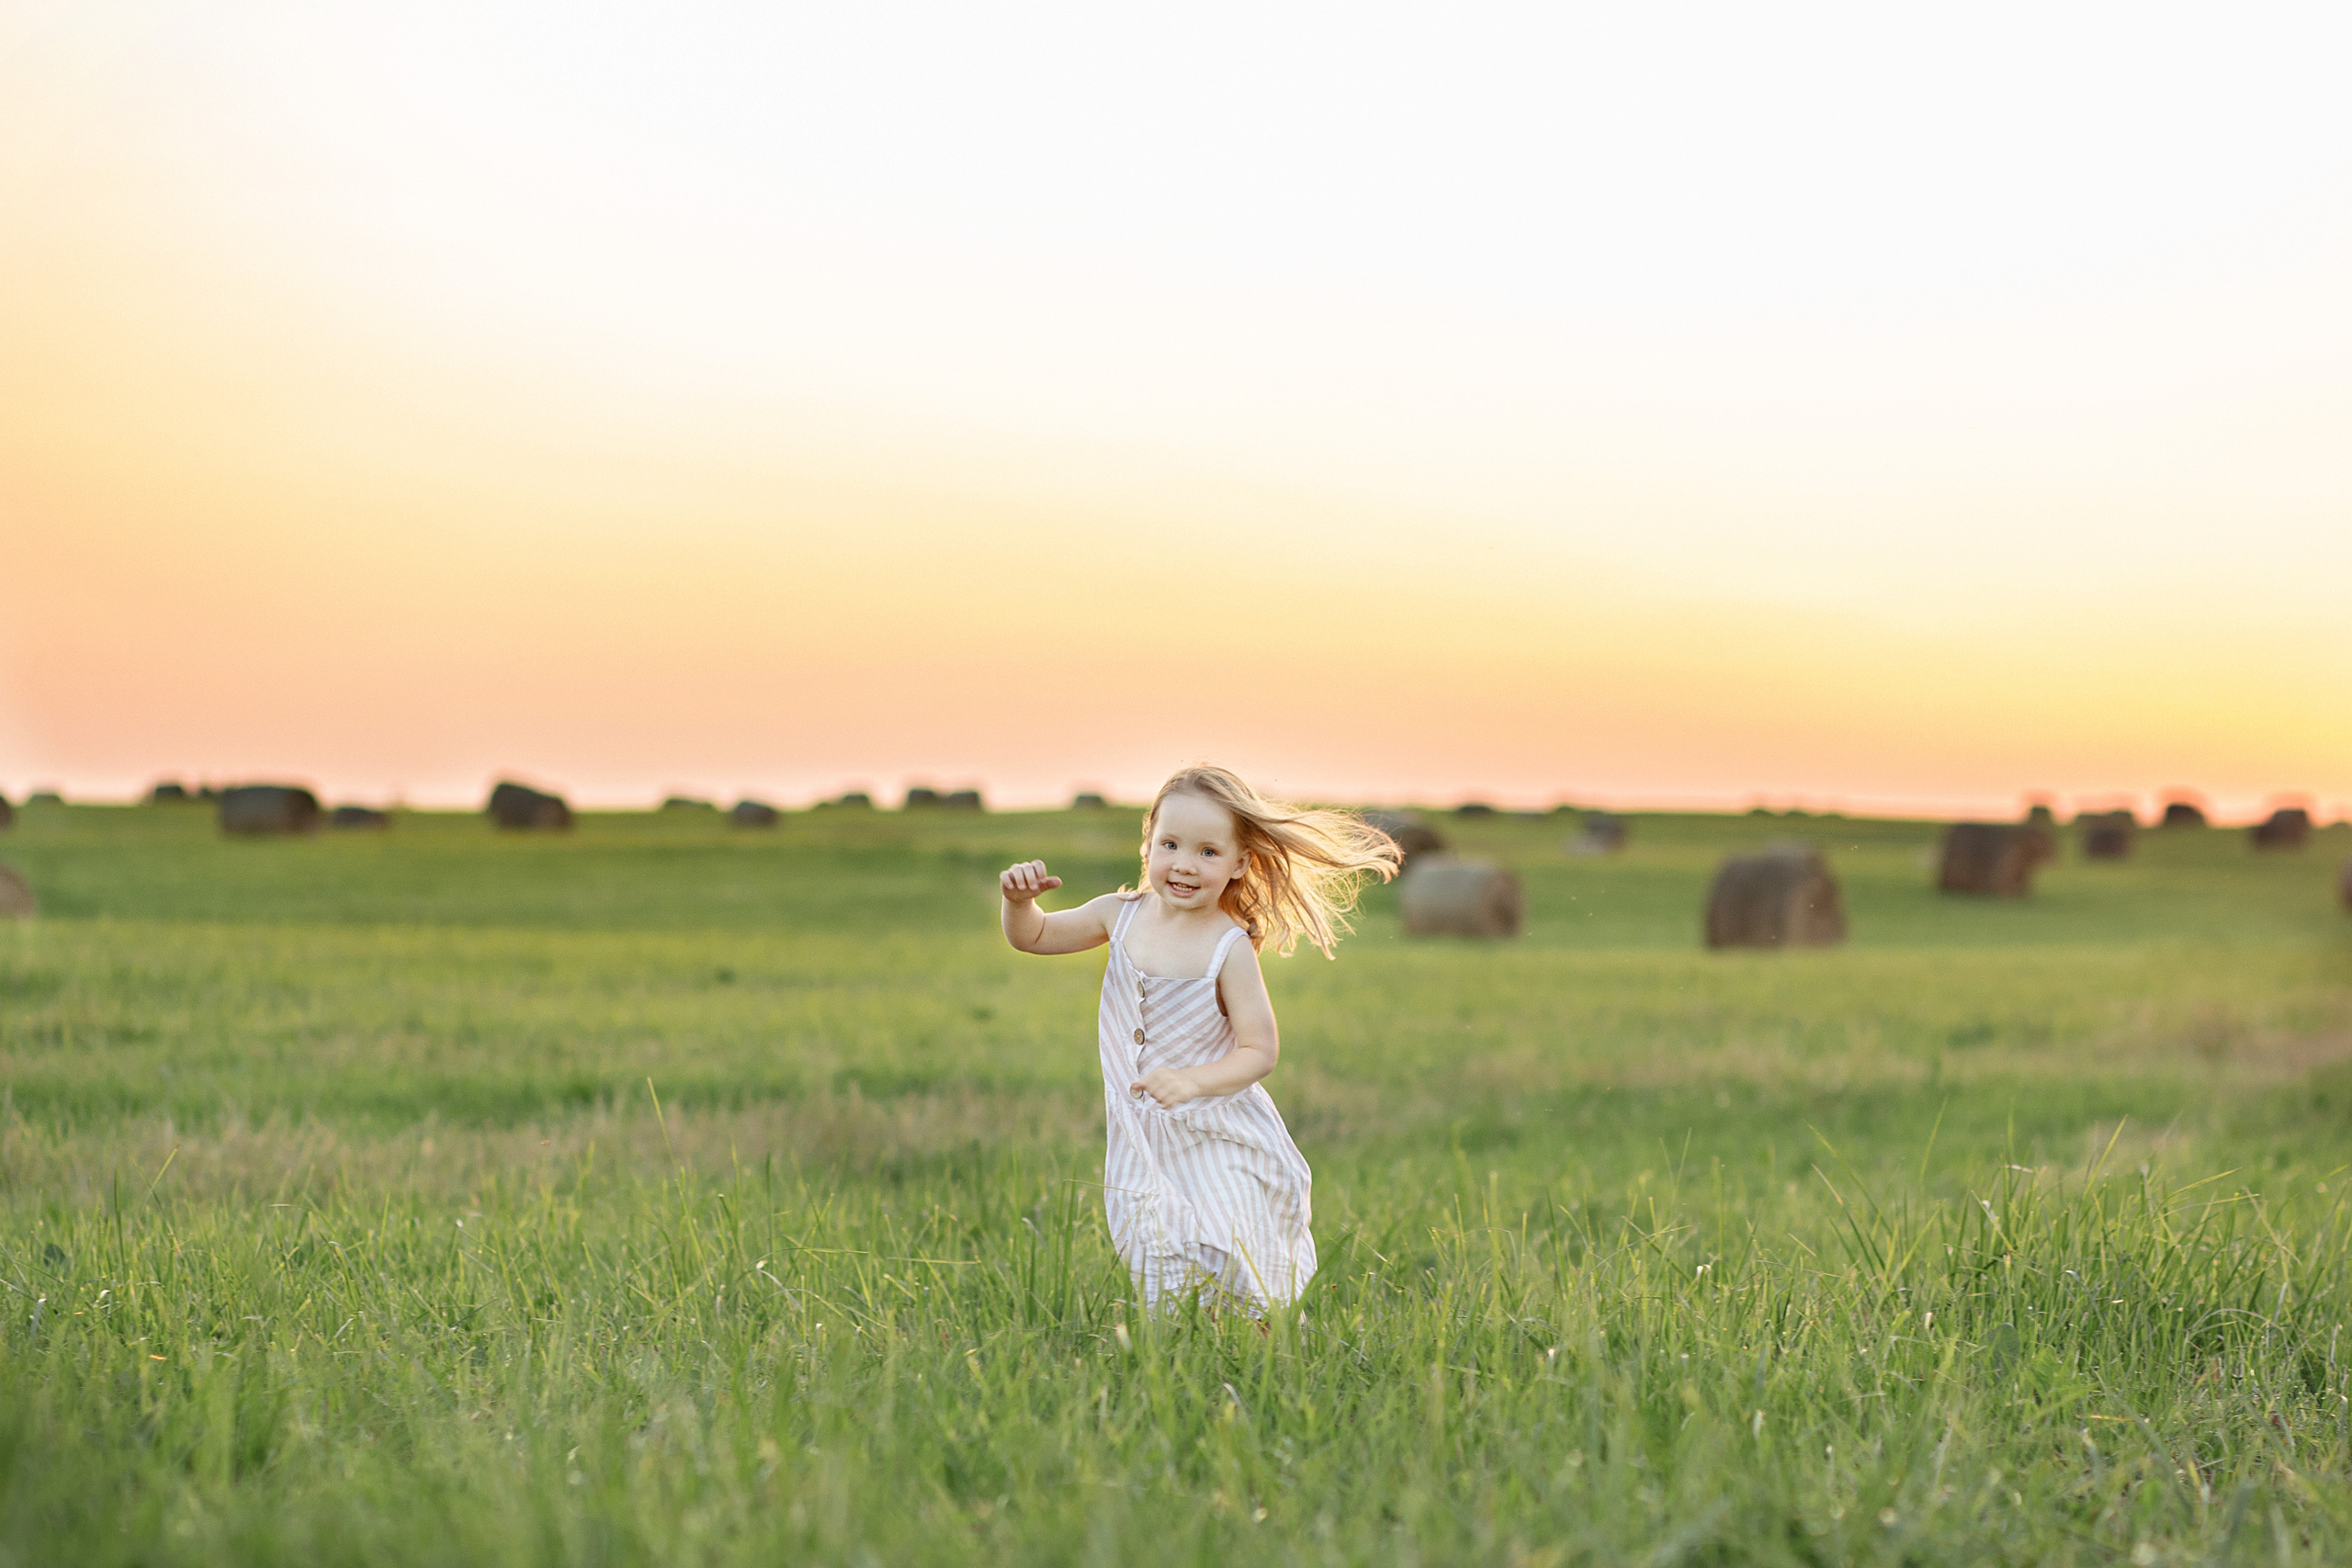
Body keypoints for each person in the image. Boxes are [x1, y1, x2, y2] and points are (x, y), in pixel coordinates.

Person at [997, 764, 1400, 1313]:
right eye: (1171, 844)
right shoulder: (1119, 917)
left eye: (1208, 852)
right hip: (1142, 1134)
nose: (1185, 864)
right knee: (1152, 1245)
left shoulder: (1227, 947)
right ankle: (1184, 1347)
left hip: (1218, 1131)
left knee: (1240, 1248)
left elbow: (1260, 1050)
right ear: (1148, 845)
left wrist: (1192, 1082)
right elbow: (1036, 936)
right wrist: (1019, 903)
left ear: (1240, 864)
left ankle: (1268, 1341)